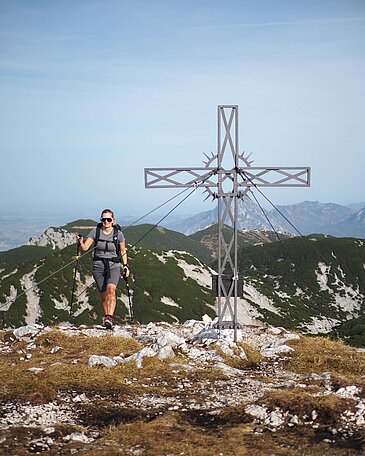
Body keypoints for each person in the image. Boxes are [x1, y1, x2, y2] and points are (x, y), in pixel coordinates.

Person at [77, 209, 129, 329]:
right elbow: (85, 248)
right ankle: (106, 317)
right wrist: (80, 242)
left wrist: (125, 266)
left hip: (113, 265)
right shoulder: (95, 232)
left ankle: (109, 317)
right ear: (101, 220)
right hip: (98, 265)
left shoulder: (118, 234)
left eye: (108, 219)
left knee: (111, 290)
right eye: (103, 219)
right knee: (104, 294)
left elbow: (122, 251)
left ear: (113, 221)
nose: (106, 221)